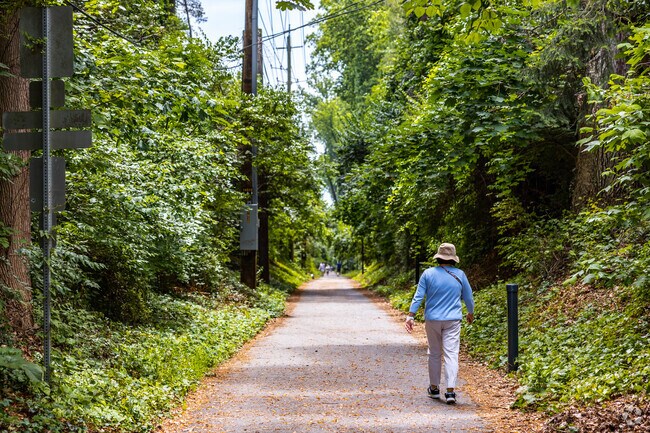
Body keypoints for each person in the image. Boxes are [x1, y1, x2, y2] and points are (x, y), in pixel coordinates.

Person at [404, 242, 475, 405]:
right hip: (453, 320)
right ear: (453, 259)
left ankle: (434, 388)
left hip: (433, 320)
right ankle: (450, 391)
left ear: (438, 257)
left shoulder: (428, 274)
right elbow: (468, 297)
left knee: (434, 353)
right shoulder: (460, 274)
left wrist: (411, 315)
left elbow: (418, 295)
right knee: (451, 353)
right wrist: (470, 312)